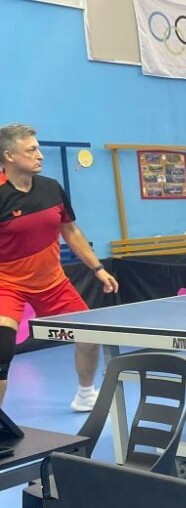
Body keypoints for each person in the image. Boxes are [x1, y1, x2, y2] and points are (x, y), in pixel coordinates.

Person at [0, 123, 119, 411]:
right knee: (2, 350)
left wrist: (98, 269)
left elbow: (71, 231)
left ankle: (85, 394)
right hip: (7, 284)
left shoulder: (51, 188)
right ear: (9, 156)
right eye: (31, 150)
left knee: (89, 336)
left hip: (52, 283)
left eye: (38, 148)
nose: (40, 155)